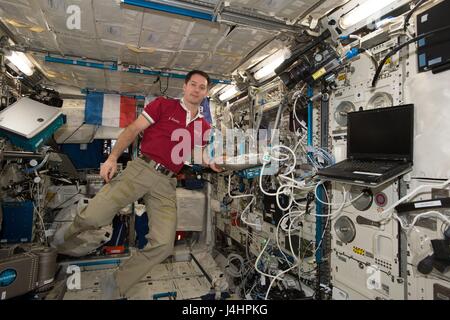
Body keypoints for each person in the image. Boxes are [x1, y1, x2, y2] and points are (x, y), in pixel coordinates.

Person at [55, 70, 222, 299]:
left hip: (166, 182)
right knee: (92, 217)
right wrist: (112, 158)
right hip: (141, 169)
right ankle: (64, 239)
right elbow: (133, 129)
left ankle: (116, 281)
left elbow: (199, 152)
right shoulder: (163, 105)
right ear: (184, 87)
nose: (196, 90)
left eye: (202, 87)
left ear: (206, 92)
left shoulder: (203, 125)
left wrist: (211, 161)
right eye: (193, 84)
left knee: (163, 245)